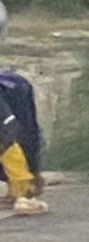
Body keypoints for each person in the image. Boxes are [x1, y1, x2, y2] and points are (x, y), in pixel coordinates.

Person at [0, 69, 48, 216]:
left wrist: (29, 176)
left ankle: (23, 191)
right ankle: (20, 188)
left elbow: (8, 135)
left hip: (12, 96)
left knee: (7, 137)